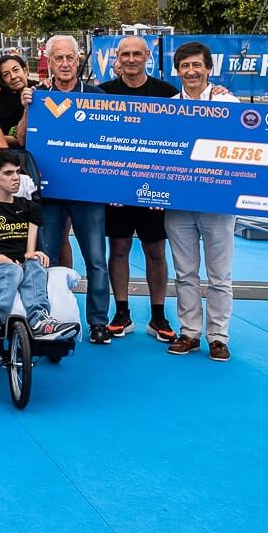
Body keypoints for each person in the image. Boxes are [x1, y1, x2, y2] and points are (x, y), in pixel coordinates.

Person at [17, 34, 113, 344]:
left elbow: (112, 142)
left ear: (78, 59)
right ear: (49, 62)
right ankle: (46, 317)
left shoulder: (97, 96)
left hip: (88, 193)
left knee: (96, 259)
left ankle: (98, 322)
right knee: (45, 258)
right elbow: (22, 140)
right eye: (58, 58)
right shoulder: (40, 95)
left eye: (70, 57)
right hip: (50, 193)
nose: (65, 63)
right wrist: (27, 109)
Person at [97, 35, 179, 341]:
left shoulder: (167, 93)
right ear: (117, 58)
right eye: (125, 54)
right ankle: (122, 312)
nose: (131, 59)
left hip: (154, 189)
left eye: (137, 54)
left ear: (147, 57)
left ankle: (158, 316)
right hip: (116, 189)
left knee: (156, 250)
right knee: (118, 248)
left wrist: (164, 185)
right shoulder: (102, 93)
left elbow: (179, 141)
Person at [162, 41, 239, 360]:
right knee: (185, 273)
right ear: (177, 71)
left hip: (218, 202)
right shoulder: (167, 108)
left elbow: (249, 141)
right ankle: (189, 333)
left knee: (219, 276)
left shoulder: (228, 102)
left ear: (209, 69)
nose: (191, 71)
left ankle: (218, 337)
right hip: (179, 204)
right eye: (185, 66)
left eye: (197, 65)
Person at [0, 150, 79, 342]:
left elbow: (30, 249)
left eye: (18, 172)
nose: (16, 178)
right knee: (11, 269)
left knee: (35, 264)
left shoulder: (28, 206)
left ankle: (40, 321)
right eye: (8, 173)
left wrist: (33, 253)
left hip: (20, 261)